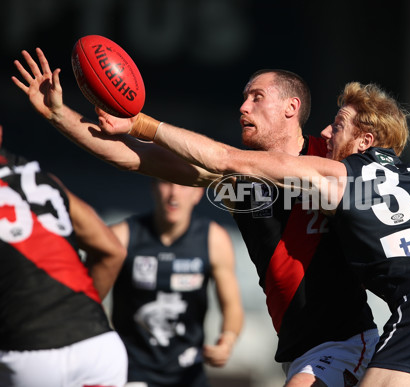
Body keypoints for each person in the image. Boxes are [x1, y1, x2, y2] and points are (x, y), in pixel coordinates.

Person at [13, 48, 379, 387]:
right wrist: (58, 113)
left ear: (291, 107)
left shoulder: (331, 164)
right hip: (298, 348)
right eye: (244, 97)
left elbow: (406, 181)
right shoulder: (238, 174)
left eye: (257, 97)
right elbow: (129, 156)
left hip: (344, 339)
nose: (243, 107)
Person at [0, 123, 128, 386]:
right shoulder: (45, 181)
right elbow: (112, 250)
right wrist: (76, 315)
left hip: (31, 355)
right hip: (99, 346)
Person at [109, 178, 244, 386]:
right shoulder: (122, 237)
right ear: (153, 187)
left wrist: (227, 341)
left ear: (198, 192)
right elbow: (87, 299)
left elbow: (232, 307)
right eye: (166, 183)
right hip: (131, 371)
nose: (174, 194)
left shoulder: (214, 239)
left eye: (183, 184)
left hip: (189, 373)